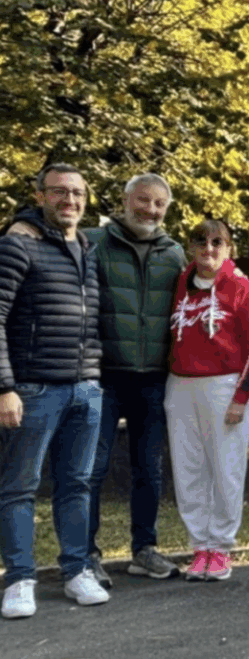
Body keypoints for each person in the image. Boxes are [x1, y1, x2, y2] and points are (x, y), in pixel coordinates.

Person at [9, 174, 188, 586]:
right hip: (101, 376)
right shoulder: (93, 241)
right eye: (143, 200)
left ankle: (145, 549)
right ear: (125, 200)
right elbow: (51, 232)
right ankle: (86, 555)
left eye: (159, 204)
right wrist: (24, 221)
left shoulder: (175, 253)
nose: (150, 210)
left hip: (154, 378)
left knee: (149, 469)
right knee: (89, 470)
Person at [0, 164, 108, 619]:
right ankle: (19, 578)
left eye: (78, 193)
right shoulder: (18, 244)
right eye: (60, 191)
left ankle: (76, 570)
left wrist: (96, 379)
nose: (71, 200)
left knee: (77, 485)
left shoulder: (86, 247)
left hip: (86, 389)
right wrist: (5, 387)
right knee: (19, 487)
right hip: (33, 388)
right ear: (40, 195)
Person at [166, 219, 249, 582]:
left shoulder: (243, 289)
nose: (208, 248)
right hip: (180, 385)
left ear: (229, 249)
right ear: (190, 247)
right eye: (201, 241)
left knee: (226, 468)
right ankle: (200, 547)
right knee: (188, 469)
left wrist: (241, 397)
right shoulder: (180, 284)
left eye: (217, 242)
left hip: (224, 386)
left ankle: (221, 547)